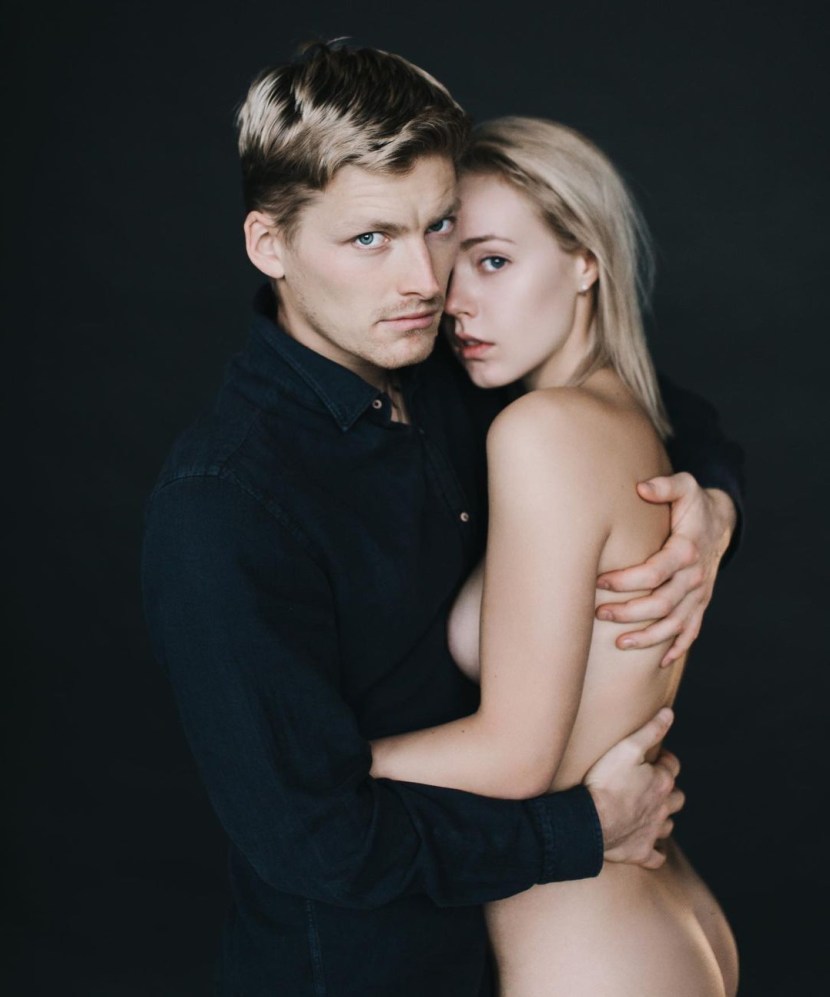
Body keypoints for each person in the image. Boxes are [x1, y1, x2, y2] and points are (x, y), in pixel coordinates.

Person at [141, 42, 743, 996]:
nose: (427, 279)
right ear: (269, 245)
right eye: (371, 239)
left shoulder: (464, 370)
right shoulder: (225, 502)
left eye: (443, 227)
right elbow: (316, 839)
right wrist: (579, 828)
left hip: (560, 931)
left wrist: (710, 508)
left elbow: (661, 411)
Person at [369, 117, 740, 995]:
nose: (457, 302)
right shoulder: (631, 423)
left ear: (585, 262)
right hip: (645, 915)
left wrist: (308, 767)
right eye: (452, 267)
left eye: (495, 261)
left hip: (589, 944)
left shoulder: (544, 432)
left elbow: (514, 756)